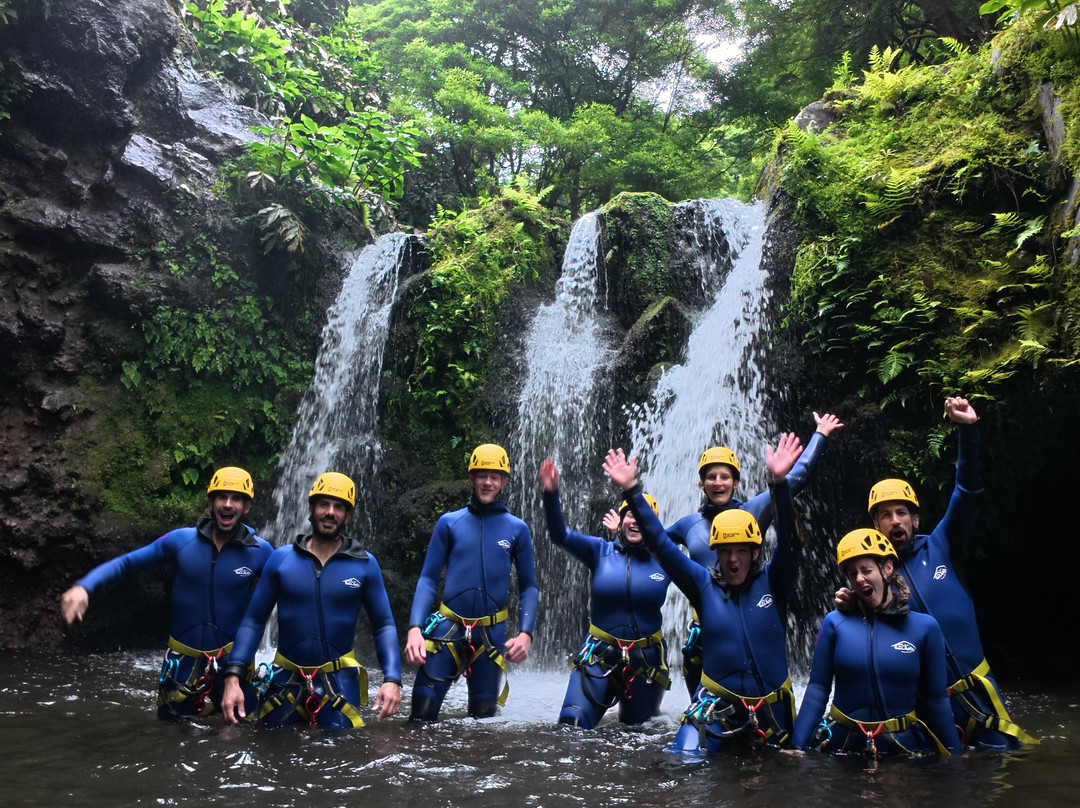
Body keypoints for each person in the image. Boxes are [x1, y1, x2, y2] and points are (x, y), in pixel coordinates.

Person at [837, 397, 1036, 749]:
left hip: (977, 692)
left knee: (1005, 770)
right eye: (885, 515)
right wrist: (853, 607)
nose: (894, 520)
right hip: (927, 707)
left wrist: (968, 430)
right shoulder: (871, 578)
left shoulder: (942, 544)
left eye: (902, 512)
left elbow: (967, 493)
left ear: (916, 519)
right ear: (875, 525)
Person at [603, 436, 804, 753]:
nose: (733, 559)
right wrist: (631, 490)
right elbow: (660, 544)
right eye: (725, 551)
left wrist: (779, 483)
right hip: (714, 708)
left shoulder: (774, 582)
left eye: (742, 551)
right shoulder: (702, 584)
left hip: (772, 713)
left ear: (756, 552)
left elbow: (791, 543)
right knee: (683, 761)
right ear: (714, 553)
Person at [60, 467, 273, 719]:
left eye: (236, 498)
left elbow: (283, 598)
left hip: (232, 667)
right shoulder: (182, 541)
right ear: (210, 502)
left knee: (241, 737)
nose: (228, 504)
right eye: (221, 497)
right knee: (173, 740)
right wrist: (84, 586)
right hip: (182, 664)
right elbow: (127, 563)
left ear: (247, 506)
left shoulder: (262, 552)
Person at [665, 412, 843, 696]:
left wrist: (819, 434)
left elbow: (796, 478)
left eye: (725, 476)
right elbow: (656, 545)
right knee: (699, 710)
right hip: (704, 629)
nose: (718, 482)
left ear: (735, 482)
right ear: (702, 484)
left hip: (750, 618)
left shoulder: (754, 510)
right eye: (711, 477)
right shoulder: (688, 524)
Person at [219, 472, 401, 729]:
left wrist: (392, 678)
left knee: (341, 756)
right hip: (285, 679)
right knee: (270, 749)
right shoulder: (281, 560)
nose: (330, 512)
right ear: (311, 508)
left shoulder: (365, 565)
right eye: (323, 504)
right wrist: (233, 677)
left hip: (338, 682)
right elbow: (254, 621)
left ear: (348, 516)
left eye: (339, 507)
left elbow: (383, 625)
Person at [790, 529, 961, 757]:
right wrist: (797, 747)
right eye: (852, 574)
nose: (859, 579)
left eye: (866, 570)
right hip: (843, 748)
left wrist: (954, 754)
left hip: (903, 749)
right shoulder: (834, 624)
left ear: (887, 568)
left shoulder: (924, 628)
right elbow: (817, 689)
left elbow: (936, 700)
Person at [405, 443, 538, 721]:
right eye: (481, 475)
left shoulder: (517, 529)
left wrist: (526, 633)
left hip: (490, 636)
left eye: (494, 476)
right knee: (420, 718)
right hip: (445, 629)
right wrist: (415, 628)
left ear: (504, 481)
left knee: (483, 724)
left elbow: (529, 587)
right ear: (472, 478)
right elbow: (428, 578)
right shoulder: (449, 523)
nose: (487, 482)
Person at [539, 457, 671, 729]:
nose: (636, 521)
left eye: (643, 516)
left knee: (637, 737)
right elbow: (559, 535)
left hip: (645, 663)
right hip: (598, 656)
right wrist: (551, 493)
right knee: (571, 727)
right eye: (630, 514)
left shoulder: (668, 561)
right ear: (621, 520)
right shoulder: (600, 551)